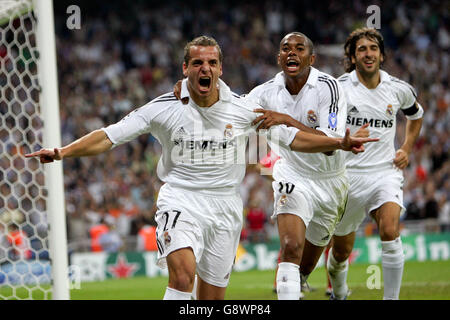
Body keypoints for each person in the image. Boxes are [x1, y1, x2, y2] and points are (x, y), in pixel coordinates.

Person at [25, 36, 376, 300]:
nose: (204, 68)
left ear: (220, 69)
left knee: (210, 300)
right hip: (180, 199)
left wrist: (339, 142)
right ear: (185, 69)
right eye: (196, 63)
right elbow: (109, 136)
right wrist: (62, 151)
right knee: (181, 278)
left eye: (211, 63)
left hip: (225, 206)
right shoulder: (164, 107)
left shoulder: (243, 110)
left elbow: (293, 139)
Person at [247, 32, 354, 300]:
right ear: (279, 57)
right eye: (285, 48)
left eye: (299, 48)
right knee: (290, 247)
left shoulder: (329, 87)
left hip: (331, 181)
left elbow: (330, 143)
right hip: (292, 174)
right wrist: (189, 90)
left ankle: (313, 284)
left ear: (312, 58)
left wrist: (284, 119)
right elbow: (228, 107)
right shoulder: (264, 93)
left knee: (304, 269)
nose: (291, 52)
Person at [327, 28, 424, 300]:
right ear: (353, 56)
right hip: (347, 177)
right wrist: (341, 140)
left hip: (384, 173)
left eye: (373, 48)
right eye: (361, 49)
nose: (368, 53)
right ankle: (340, 291)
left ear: (382, 55)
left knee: (390, 231)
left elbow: (417, 115)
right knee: (340, 252)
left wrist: (405, 147)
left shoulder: (398, 89)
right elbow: (325, 129)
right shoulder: (339, 89)